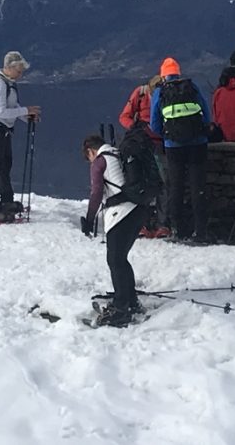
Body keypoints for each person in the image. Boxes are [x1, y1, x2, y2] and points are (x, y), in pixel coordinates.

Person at [81, 134, 154, 327]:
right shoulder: (119, 153)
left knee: (114, 260)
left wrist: (89, 219)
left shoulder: (99, 161)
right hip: (139, 210)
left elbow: (96, 192)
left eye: (87, 157)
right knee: (120, 258)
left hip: (121, 213)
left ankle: (121, 309)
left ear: (90, 150)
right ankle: (129, 300)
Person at [150, 57, 211, 243]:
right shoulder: (192, 87)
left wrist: (169, 135)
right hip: (198, 144)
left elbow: (154, 124)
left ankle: (178, 230)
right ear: (178, 73)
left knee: (175, 188)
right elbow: (206, 115)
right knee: (197, 187)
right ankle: (200, 232)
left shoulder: (160, 93)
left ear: (163, 76)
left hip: (173, 147)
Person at [0, 51, 41, 220]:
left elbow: (12, 107)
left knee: (5, 165)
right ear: (9, 67)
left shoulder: (9, 83)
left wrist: (25, 116)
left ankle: (6, 201)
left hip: (2, 130)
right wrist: (26, 111)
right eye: (19, 70)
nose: (21, 74)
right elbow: (0, 111)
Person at [119, 74, 170, 237]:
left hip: (154, 145)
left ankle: (150, 224)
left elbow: (124, 117)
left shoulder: (143, 94)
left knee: (158, 183)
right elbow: (124, 117)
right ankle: (152, 224)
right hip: (147, 144)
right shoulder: (141, 94)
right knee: (156, 183)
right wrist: (137, 129)